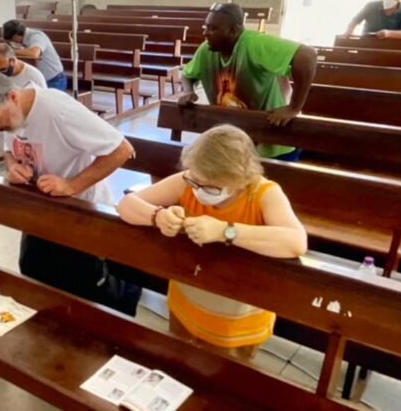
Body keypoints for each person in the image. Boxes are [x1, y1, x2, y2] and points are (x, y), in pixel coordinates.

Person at [116, 124, 307, 359]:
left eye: (209, 186)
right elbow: (126, 205)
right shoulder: (188, 181)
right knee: (180, 367)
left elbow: (296, 242)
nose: (198, 190)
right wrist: (158, 217)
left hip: (236, 323)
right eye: (195, 181)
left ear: (240, 178)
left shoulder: (263, 193)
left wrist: (225, 231)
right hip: (185, 305)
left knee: (225, 380)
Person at [0, 69, 139, 315]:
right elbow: (10, 150)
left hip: (80, 211)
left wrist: (72, 185)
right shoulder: (10, 114)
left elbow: (122, 149)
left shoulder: (58, 111)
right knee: (32, 271)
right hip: (41, 209)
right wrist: (13, 167)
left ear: (12, 96)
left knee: (85, 290)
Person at [179, 3, 316, 161]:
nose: (206, 33)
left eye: (213, 28)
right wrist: (189, 92)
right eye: (206, 27)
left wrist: (294, 108)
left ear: (234, 30)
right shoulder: (206, 49)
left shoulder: (254, 43)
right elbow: (187, 74)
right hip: (233, 144)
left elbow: (307, 55)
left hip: (272, 144)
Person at [2, 20, 67, 91]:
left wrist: (11, 51)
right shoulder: (25, 40)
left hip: (54, 79)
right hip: (41, 79)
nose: (13, 43)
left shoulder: (36, 36)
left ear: (15, 37)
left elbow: (34, 53)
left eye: (12, 40)